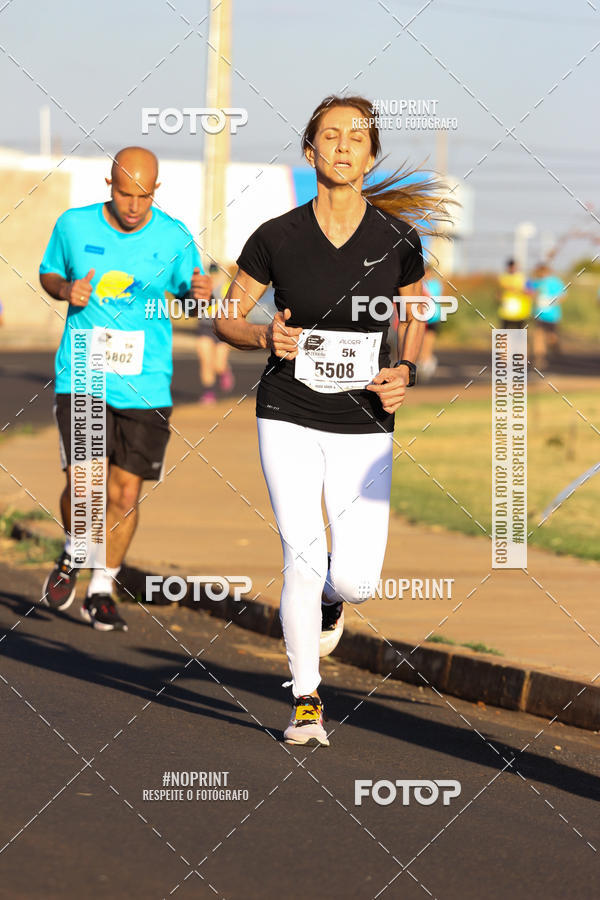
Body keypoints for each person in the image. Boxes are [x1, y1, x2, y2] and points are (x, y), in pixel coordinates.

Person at [215, 95, 451, 747]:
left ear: (371, 156)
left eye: (356, 137)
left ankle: (330, 601)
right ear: (309, 149)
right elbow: (225, 316)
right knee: (300, 550)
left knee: (356, 579)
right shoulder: (276, 237)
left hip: (365, 419)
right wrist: (263, 337)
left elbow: (418, 315)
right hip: (287, 410)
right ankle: (307, 700)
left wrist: (406, 370)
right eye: (329, 135)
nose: (343, 145)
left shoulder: (397, 240)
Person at [39, 147, 210, 631]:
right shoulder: (74, 225)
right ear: (108, 184)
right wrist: (64, 289)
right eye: (124, 193)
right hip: (84, 373)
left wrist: (200, 298)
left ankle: (101, 588)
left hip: (146, 383)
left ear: (156, 191)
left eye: (143, 196)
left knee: (125, 495)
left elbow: (193, 303)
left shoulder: (175, 237)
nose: (133, 206)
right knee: (87, 485)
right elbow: (49, 272)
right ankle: (75, 549)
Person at [196, 263, 235, 404]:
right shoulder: (202, 286)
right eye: (211, 272)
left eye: (215, 272)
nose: (213, 276)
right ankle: (209, 392)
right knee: (206, 360)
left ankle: (224, 370)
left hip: (222, 328)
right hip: (205, 326)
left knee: (218, 363)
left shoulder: (226, 286)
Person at [530, 263, 566, 368]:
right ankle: (540, 359)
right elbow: (530, 293)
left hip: (552, 315)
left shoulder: (556, 282)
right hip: (539, 314)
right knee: (538, 335)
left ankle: (555, 348)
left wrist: (552, 301)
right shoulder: (536, 282)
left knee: (552, 337)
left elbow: (563, 296)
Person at [418, 265, 443, 380]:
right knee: (419, 342)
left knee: (428, 344)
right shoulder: (421, 284)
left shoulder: (435, 284)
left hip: (433, 317)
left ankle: (426, 366)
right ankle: (422, 365)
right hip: (422, 318)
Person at [497, 258, 531, 329]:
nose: (512, 268)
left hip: (520, 312)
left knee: (519, 333)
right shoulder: (502, 278)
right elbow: (498, 293)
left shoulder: (523, 278)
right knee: (503, 333)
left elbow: (530, 292)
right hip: (506, 311)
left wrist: (522, 291)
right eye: (511, 266)